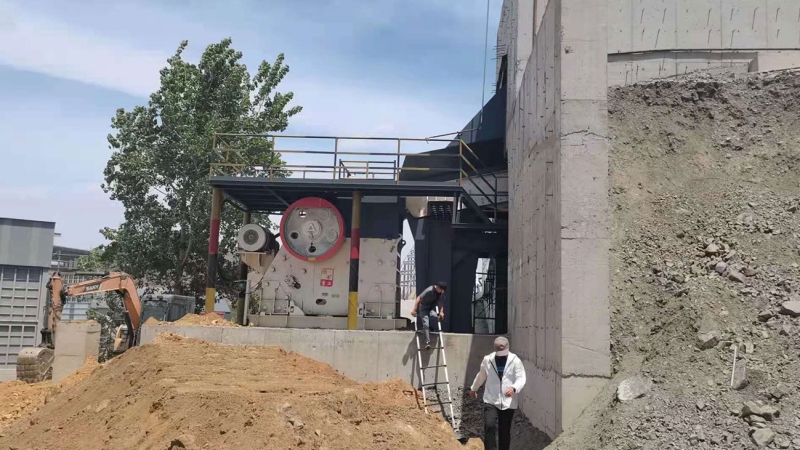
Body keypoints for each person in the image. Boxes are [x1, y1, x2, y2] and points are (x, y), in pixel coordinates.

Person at [469, 336, 526, 450]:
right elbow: (481, 375)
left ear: (508, 348)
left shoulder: (515, 361)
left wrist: (514, 388)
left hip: (508, 402)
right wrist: (474, 388)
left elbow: (521, 378)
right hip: (491, 399)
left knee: (504, 431)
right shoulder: (488, 360)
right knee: (489, 426)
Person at [410, 281, 446, 349]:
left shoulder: (440, 293)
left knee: (437, 317)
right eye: (441, 290)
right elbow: (419, 298)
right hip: (423, 308)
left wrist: (441, 312)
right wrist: (414, 309)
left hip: (430, 309)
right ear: (438, 287)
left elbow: (440, 303)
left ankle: (431, 329)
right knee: (426, 324)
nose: (442, 291)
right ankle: (427, 342)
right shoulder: (429, 290)